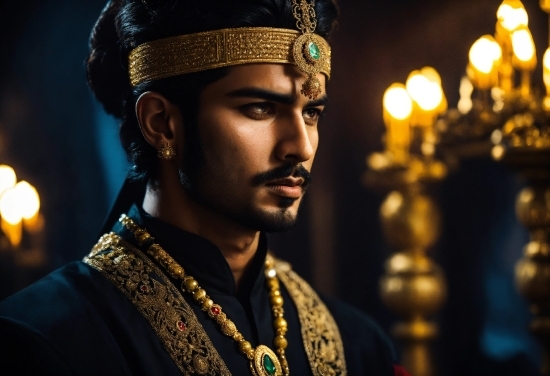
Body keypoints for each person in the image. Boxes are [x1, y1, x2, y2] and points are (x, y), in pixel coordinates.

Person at [0, 0, 410, 375]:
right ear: (162, 123)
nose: (300, 146)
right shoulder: (47, 342)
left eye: (312, 114)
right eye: (260, 109)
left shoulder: (356, 346)